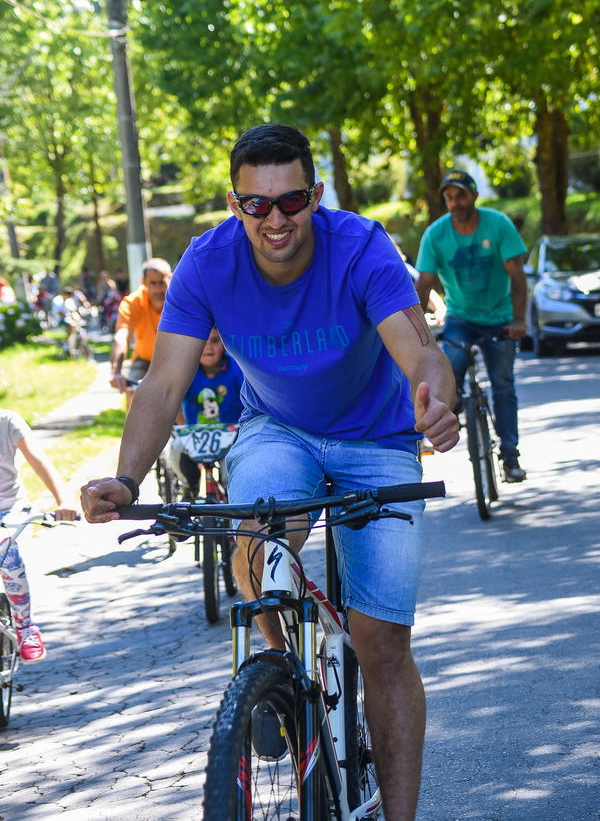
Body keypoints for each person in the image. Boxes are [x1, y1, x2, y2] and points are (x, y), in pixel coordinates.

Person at [81, 124, 459, 821]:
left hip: (378, 437)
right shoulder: (206, 262)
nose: (275, 220)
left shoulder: (360, 245)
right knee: (252, 540)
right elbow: (165, 384)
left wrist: (435, 397)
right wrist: (127, 481)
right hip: (278, 428)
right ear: (235, 204)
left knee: (381, 645)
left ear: (315, 195)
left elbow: (418, 347)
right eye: (257, 205)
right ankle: (278, 673)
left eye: (291, 202)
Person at [415, 169, 528, 483]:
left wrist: (519, 320)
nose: (455, 202)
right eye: (449, 197)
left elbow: (518, 278)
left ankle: (509, 454)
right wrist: (415, 332)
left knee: (503, 385)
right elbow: (423, 285)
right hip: (461, 318)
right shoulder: (436, 235)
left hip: (500, 317)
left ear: (474, 195)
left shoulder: (498, 224)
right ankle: (458, 410)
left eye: (461, 195)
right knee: (449, 367)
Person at [0, 408, 78, 662]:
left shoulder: (7, 421)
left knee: (7, 553)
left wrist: (63, 500)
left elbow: (38, 459)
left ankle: (25, 627)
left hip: (8, 510)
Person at [168, 327, 244, 497]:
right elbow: (174, 402)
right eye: (203, 341)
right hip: (195, 433)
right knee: (176, 448)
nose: (208, 347)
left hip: (232, 435)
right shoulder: (187, 370)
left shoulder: (236, 367)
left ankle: (233, 496)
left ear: (224, 344)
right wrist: (184, 427)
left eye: (215, 341)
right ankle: (190, 487)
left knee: (232, 473)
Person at [108, 258, 172, 410]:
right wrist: (115, 371)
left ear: (170, 278)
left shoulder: (181, 299)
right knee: (133, 394)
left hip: (176, 359)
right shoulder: (132, 303)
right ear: (143, 282)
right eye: (153, 283)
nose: (158, 289)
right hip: (144, 360)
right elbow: (122, 337)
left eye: (162, 283)